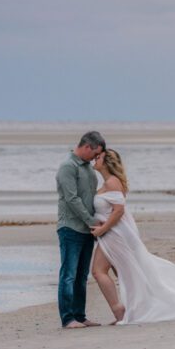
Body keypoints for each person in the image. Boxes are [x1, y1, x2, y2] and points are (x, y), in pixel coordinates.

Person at [90, 148, 175, 324]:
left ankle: (120, 312)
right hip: (112, 233)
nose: (95, 159)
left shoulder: (112, 182)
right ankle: (130, 310)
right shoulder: (108, 182)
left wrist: (102, 230)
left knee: (98, 271)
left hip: (116, 234)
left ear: (107, 162)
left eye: (99, 157)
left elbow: (119, 211)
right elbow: (112, 210)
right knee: (128, 272)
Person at [55, 131, 106, 329]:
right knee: (68, 274)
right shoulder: (68, 166)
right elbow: (72, 199)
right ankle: (68, 319)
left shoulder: (88, 168)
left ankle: (80, 315)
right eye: (95, 154)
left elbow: (92, 197)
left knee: (82, 276)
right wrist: (91, 220)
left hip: (88, 230)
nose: (95, 158)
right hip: (71, 228)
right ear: (86, 147)